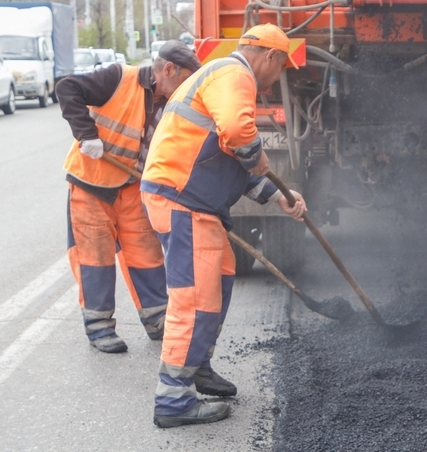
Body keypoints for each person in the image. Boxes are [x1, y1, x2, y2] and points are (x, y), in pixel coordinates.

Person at [140, 24, 307, 428]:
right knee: (195, 298)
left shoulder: (221, 76)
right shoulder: (235, 75)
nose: (276, 77)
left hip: (195, 202)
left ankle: (198, 365)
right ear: (269, 57)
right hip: (182, 199)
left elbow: (228, 153)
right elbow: (238, 136)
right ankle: (173, 401)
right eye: (280, 67)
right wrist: (258, 156)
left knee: (220, 279)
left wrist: (276, 194)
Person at [57, 41, 201, 353]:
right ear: (167, 70)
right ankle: (99, 328)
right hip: (91, 184)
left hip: (134, 188)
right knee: (95, 258)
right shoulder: (119, 78)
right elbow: (67, 88)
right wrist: (86, 134)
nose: (187, 87)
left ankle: (157, 320)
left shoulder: (173, 103)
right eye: (185, 79)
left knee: (147, 255)